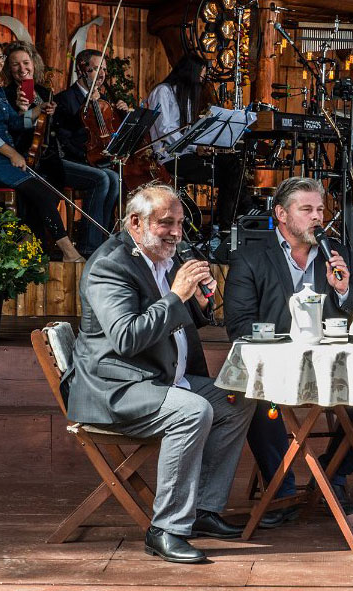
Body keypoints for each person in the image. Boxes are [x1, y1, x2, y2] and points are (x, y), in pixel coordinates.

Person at [63, 183, 256, 563]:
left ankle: (202, 509)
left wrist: (198, 300)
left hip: (161, 377)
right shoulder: (109, 266)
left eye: (180, 224)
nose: (176, 233)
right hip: (117, 387)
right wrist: (176, 295)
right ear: (135, 222)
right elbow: (126, 337)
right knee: (192, 411)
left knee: (238, 399)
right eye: (166, 223)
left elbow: (178, 319)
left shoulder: (163, 257)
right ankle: (166, 529)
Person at [223, 176, 353, 526]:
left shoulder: (337, 253)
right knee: (254, 394)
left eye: (321, 210)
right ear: (281, 214)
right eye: (307, 209)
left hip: (332, 366)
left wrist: (343, 291)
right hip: (277, 366)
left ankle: (332, 475)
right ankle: (280, 488)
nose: (317, 217)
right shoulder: (251, 257)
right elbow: (238, 324)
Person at [0, 34, 83, 262]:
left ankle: (30, 246)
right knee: (40, 190)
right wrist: (13, 153)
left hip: (2, 159)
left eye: (0, 57)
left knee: (41, 189)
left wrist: (38, 110)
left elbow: (14, 122)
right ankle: (68, 252)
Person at [2, 41, 119, 257]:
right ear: (8, 68)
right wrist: (23, 112)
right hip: (32, 160)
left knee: (112, 176)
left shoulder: (43, 92)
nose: (22, 68)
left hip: (50, 157)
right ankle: (89, 247)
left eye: (26, 62)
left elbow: (57, 128)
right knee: (101, 178)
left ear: (34, 63)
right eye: (15, 64)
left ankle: (101, 242)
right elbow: (14, 132)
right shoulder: (7, 95)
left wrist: (56, 114)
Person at [147, 54, 246, 233]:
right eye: (201, 75)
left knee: (233, 165)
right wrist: (194, 147)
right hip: (169, 157)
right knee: (230, 177)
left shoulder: (184, 96)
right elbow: (165, 131)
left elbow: (187, 131)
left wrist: (205, 143)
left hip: (186, 153)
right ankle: (225, 224)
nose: (202, 80)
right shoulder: (163, 91)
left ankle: (228, 222)